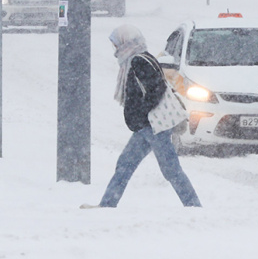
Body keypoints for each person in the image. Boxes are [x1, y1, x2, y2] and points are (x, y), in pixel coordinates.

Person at [82, 24, 201, 208]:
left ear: (126, 42)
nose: (115, 49)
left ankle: (193, 206)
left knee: (171, 170)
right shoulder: (140, 58)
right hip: (146, 127)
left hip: (153, 126)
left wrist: (141, 113)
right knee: (125, 164)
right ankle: (107, 205)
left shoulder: (139, 61)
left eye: (116, 44)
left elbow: (156, 89)